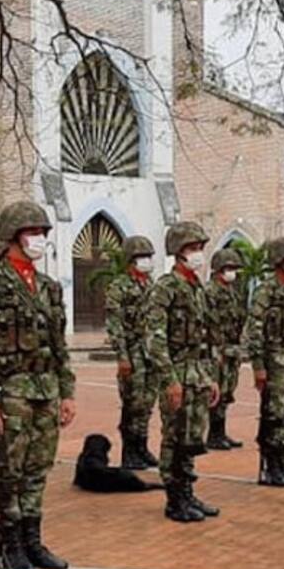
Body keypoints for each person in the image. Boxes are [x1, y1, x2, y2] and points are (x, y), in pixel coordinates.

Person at [0, 201, 76, 569]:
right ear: (12, 237)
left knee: (38, 468)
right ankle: (8, 549)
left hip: (44, 390)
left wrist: (67, 391)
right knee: (7, 470)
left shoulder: (48, 287)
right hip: (7, 393)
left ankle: (31, 540)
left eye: (43, 233)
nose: (39, 239)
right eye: (31, 232)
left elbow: (59, 345)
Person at [146, 222, 221, 522]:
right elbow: (155, 337)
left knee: (192, 438)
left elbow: (206, 337)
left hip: (197, 373)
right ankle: (174, 499)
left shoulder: (196, 288)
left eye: (200, 248)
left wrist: (211, 376)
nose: (198, 254)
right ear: (177, 252)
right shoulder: (166, 288)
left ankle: (187, 492)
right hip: (177, 372)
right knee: (174, 437)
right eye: (192, 249)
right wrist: (169, 380)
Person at [244, 237, 284, 487]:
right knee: (273, 413)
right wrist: (259, 366)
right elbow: (254, 329)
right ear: (281, 262)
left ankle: (282, 461)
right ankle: (269, 466)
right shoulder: (266, 290)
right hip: (275, 360)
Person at [104, 235, 158, 470]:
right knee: (132, 403)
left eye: (148, 256)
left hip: (150, 353)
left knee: (146, 403)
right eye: (141, 257)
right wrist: (122, 356)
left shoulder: (150, 285)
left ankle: (142, 447)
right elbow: (115, 324)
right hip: (132, 351)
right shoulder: (119, 287)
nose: (146, 261)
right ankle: (129, 452)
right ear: (130, 260)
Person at [205, 247, 246, 451]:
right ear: (218, 269)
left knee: (228, 391)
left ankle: (221, 432)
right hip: (218, 350)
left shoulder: (232, 293)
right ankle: (213, 434)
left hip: (232, 349)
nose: (232, 272)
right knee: (217, 392)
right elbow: (208, 324)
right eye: (228, 268)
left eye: (234, 268)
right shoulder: (210, 292)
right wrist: (214, 351)